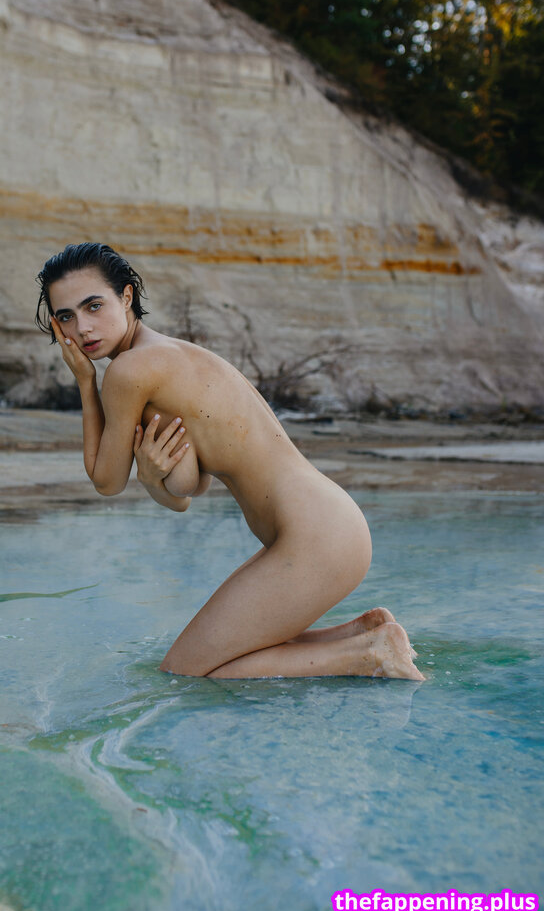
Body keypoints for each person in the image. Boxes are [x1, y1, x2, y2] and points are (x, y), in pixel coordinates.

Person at [35, 243, 424, 681]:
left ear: (126, 297)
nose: (82, 328)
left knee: (187, 671)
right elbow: (187, 490)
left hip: (317, 537)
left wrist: (85, 383)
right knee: (207, 657)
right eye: (66, 316)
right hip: (329, 525)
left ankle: (370, 654)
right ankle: (360, 634)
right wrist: (151, 476)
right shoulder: (167, 355)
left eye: (93, 306)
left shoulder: (129, 372)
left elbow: (106, 481)